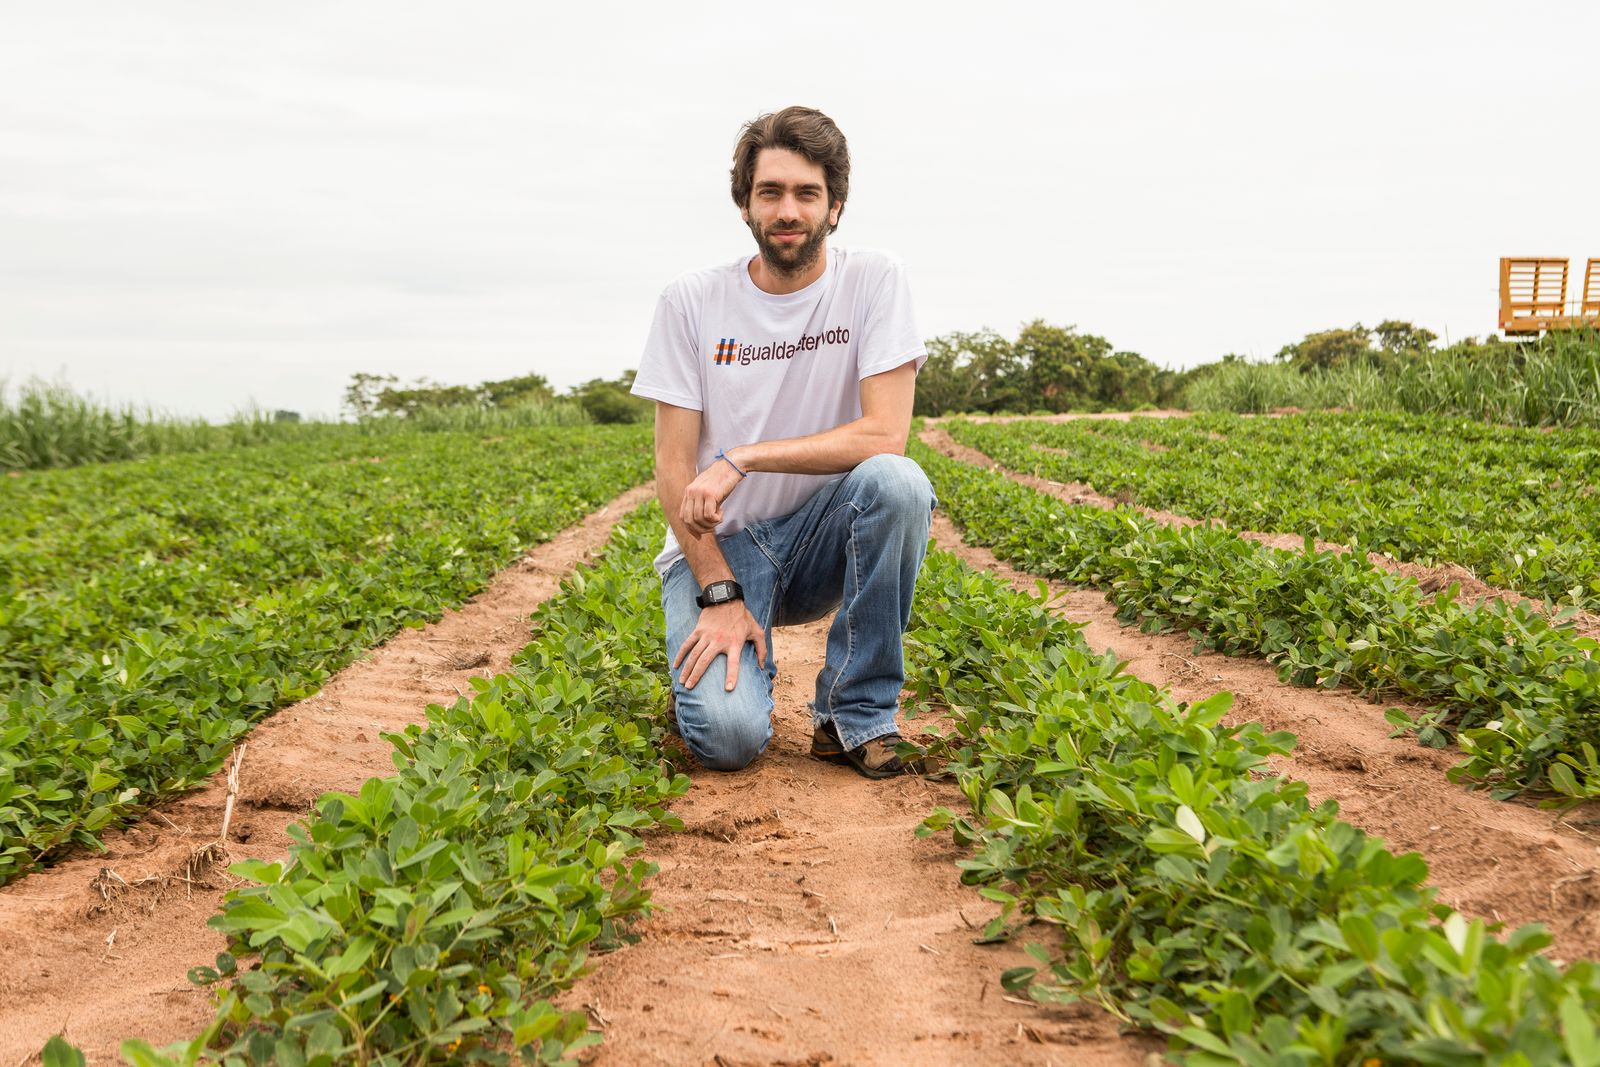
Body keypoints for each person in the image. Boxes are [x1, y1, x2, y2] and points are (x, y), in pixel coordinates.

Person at [630, 105, 935, 779]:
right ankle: (714, 676)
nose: (788, 210)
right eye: (769, 192)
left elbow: (886, 434)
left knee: (898, 483)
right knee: (728, 740)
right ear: (745, 205)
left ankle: (853, 717)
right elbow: (674, 467)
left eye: (807, 193)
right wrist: (719, 591)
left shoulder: (874, 280)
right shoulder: (690, 302)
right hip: (723, 547)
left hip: (824, 535)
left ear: (835, 206)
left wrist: (743, 457)